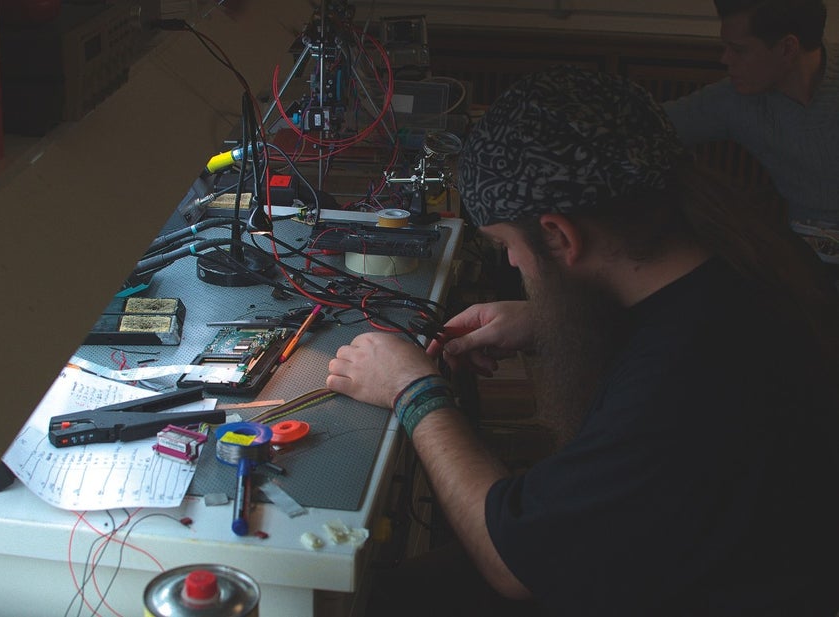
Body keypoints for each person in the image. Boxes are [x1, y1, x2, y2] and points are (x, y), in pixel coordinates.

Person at [327, 64, 839, 616]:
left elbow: (512, 562)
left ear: (559, 235)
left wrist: (413, 389)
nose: (513, 262)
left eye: (507, 245)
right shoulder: (754, 264)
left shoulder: (685, 378)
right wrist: (545, 318)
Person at [662, 0, 839, 240]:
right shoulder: (733, 99)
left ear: (787, 48)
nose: (725, 59)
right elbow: (651, 124)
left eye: (739, 49)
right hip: (805, 250)